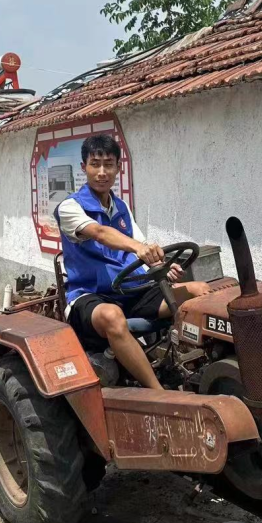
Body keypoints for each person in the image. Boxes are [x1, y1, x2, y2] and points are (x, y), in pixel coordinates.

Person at [56, 133, 211, 389]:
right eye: (95, 164)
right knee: (112, 316)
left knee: (199, 292)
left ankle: (198, 370)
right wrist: (139, 248)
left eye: (109, 164)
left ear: (119, 167)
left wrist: (161, 266)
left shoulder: (121, 208)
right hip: (90, 297)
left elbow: (143, 246)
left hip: (130, 290)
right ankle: (158, 391)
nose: (102, 172)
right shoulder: (70, 207)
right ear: (84, 168)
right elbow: (101, 233)